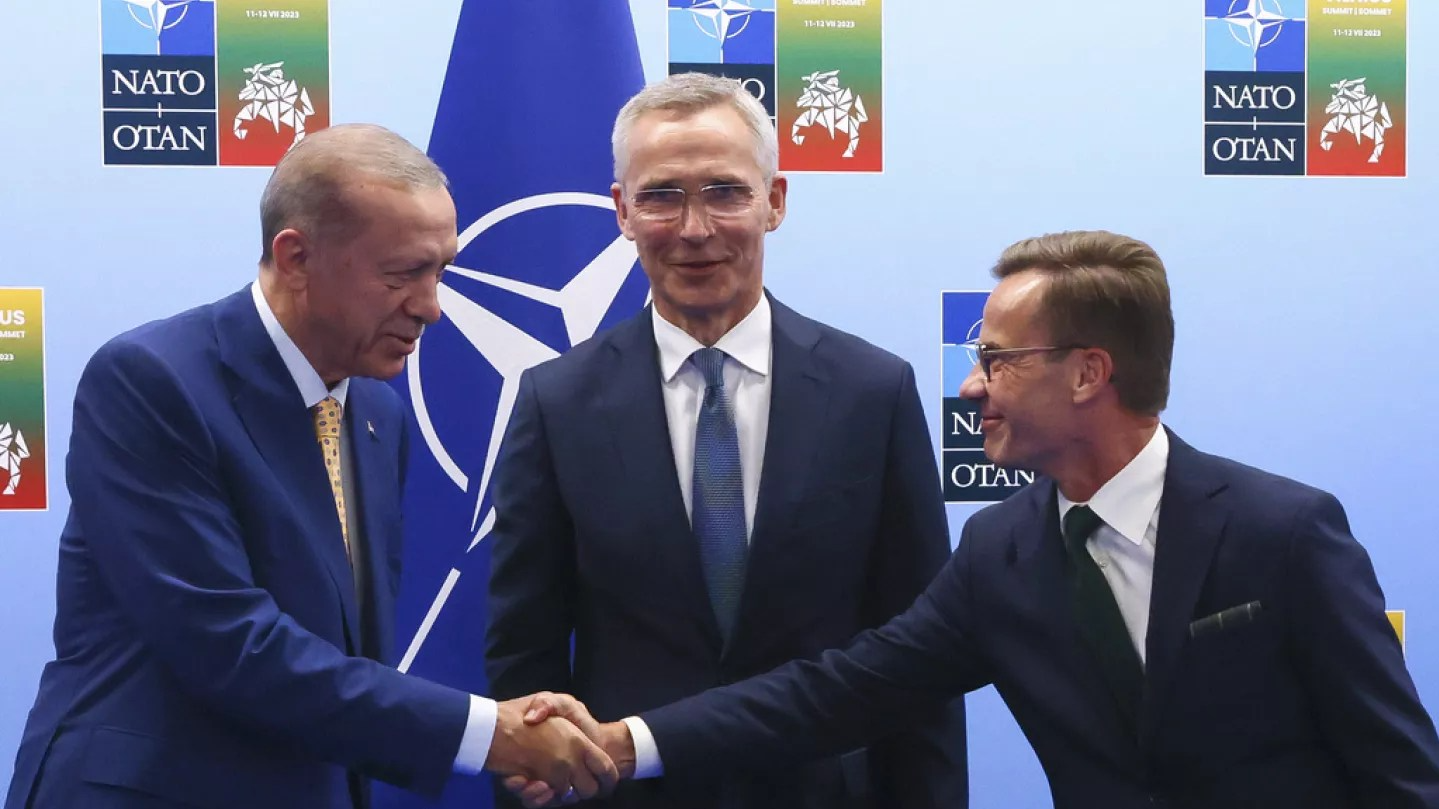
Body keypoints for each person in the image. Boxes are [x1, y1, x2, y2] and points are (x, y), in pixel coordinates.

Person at [519, 230, 1439, 809]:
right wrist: (624, 741)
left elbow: (1400, 770)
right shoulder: (1000, 550)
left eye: (995, 362)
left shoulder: (1284, 532)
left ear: (1086, 373)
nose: (969, 387)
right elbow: (835, 692)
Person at [4, 124, 615, 809]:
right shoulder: (152, 381)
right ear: (295, 256)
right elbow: (228, 644)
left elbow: (352, 661)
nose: (432, 306)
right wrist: (487, 734)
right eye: (402, 273)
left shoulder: (379, 416)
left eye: (440, 270)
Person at [483, 72, 967, 809]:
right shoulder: (556, 402)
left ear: (774, 201)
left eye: (723, 191)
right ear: (621, 211)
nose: (694, 228)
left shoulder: (873, 391)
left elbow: (920, 657)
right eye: (661, 195)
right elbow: (527, 660)